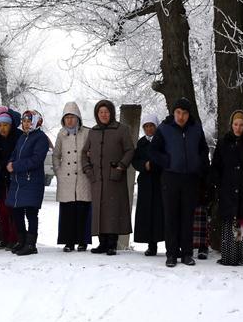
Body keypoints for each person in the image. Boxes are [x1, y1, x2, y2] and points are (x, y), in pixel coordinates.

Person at [149, 98, 210, 267]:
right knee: (171, 217)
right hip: (170, 177)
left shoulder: (196, 128)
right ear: (173, 112)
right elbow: (153, 151)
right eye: (178, 112)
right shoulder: (164, 128)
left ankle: (187, 253)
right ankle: (171, 254)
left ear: (188, 114)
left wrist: (199, 163)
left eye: (184, 113)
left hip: (191, 178)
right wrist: (166, 161)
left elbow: (203, 149)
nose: (181, 116)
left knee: (187, 217)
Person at [82, 100, 134, 255]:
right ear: (97, 114)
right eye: (100, 112)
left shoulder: (122, 130)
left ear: (111, 113)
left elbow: (130, 150)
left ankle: (112, 244)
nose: (104, 115)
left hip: (115, 178)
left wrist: (121, 166)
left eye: (106, 112)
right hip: (97, 179)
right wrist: (88, 170)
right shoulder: (93, 132)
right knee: (100, 210)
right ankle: (102, 243)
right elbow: (84, 153)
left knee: (113, 210)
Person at [210, 110, 243, 266]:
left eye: (241, 124)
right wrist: (219, 184)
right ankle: (231, 256)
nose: (238, 128)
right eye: (235, 124)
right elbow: (216, 166)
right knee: (232, 223)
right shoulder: (224, 142)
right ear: (231, 124)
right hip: (228, 190)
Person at [5, 110, 50, 256]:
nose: (26, 124)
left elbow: (36, 160)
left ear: (37, 122)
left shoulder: (41, 138)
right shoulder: (22, 137)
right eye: (24, 121)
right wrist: (10, 162)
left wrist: (16, 166)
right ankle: (21, 240)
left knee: (31, 213)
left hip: (32, 182)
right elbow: (15, 153)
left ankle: (31, 244)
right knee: (17, 212)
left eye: (29, 121)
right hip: (18, 182)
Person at [54, 102, 92, 253]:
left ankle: (83, 241)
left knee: (83, 210)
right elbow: (56, 155)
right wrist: (58, 171)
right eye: (67, 117)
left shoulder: (87, 133)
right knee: (67, 211)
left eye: (72, 117)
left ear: (78, 118)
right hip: (66, 178)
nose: (69, 120)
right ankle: (68, 241)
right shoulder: (61, 135)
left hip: (83, 177)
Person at [131, 115, 163, 256]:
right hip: (145, 183)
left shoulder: (162, 141)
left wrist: (154, 165)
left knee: (161, 214)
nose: (149, 129)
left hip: (160, 182)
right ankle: (151, 245)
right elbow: (135, 160)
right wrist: (144, 165)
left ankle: (170, 244)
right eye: (146, 126)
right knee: (148, 215)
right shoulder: (141, 143)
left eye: (152, 126)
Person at [0, 107, 20, 250]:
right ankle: (4, 237)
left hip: (14, 180)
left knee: (13, 211)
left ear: (11, 125)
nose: (2, 128)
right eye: (0, 125)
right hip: (1, 179)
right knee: (2, 210)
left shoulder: (17, 137)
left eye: (5, 125)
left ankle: (14, 238)